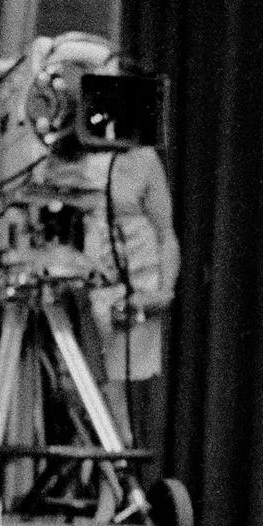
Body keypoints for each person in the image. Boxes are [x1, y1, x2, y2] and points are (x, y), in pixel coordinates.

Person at [84, 145, 181, 447]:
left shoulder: (143, 161)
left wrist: (164, 292)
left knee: (122, 416)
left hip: (135, 297)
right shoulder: (72, 161)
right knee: (91, 404)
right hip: (88, 295)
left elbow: (166, 235)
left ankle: (118, 488)